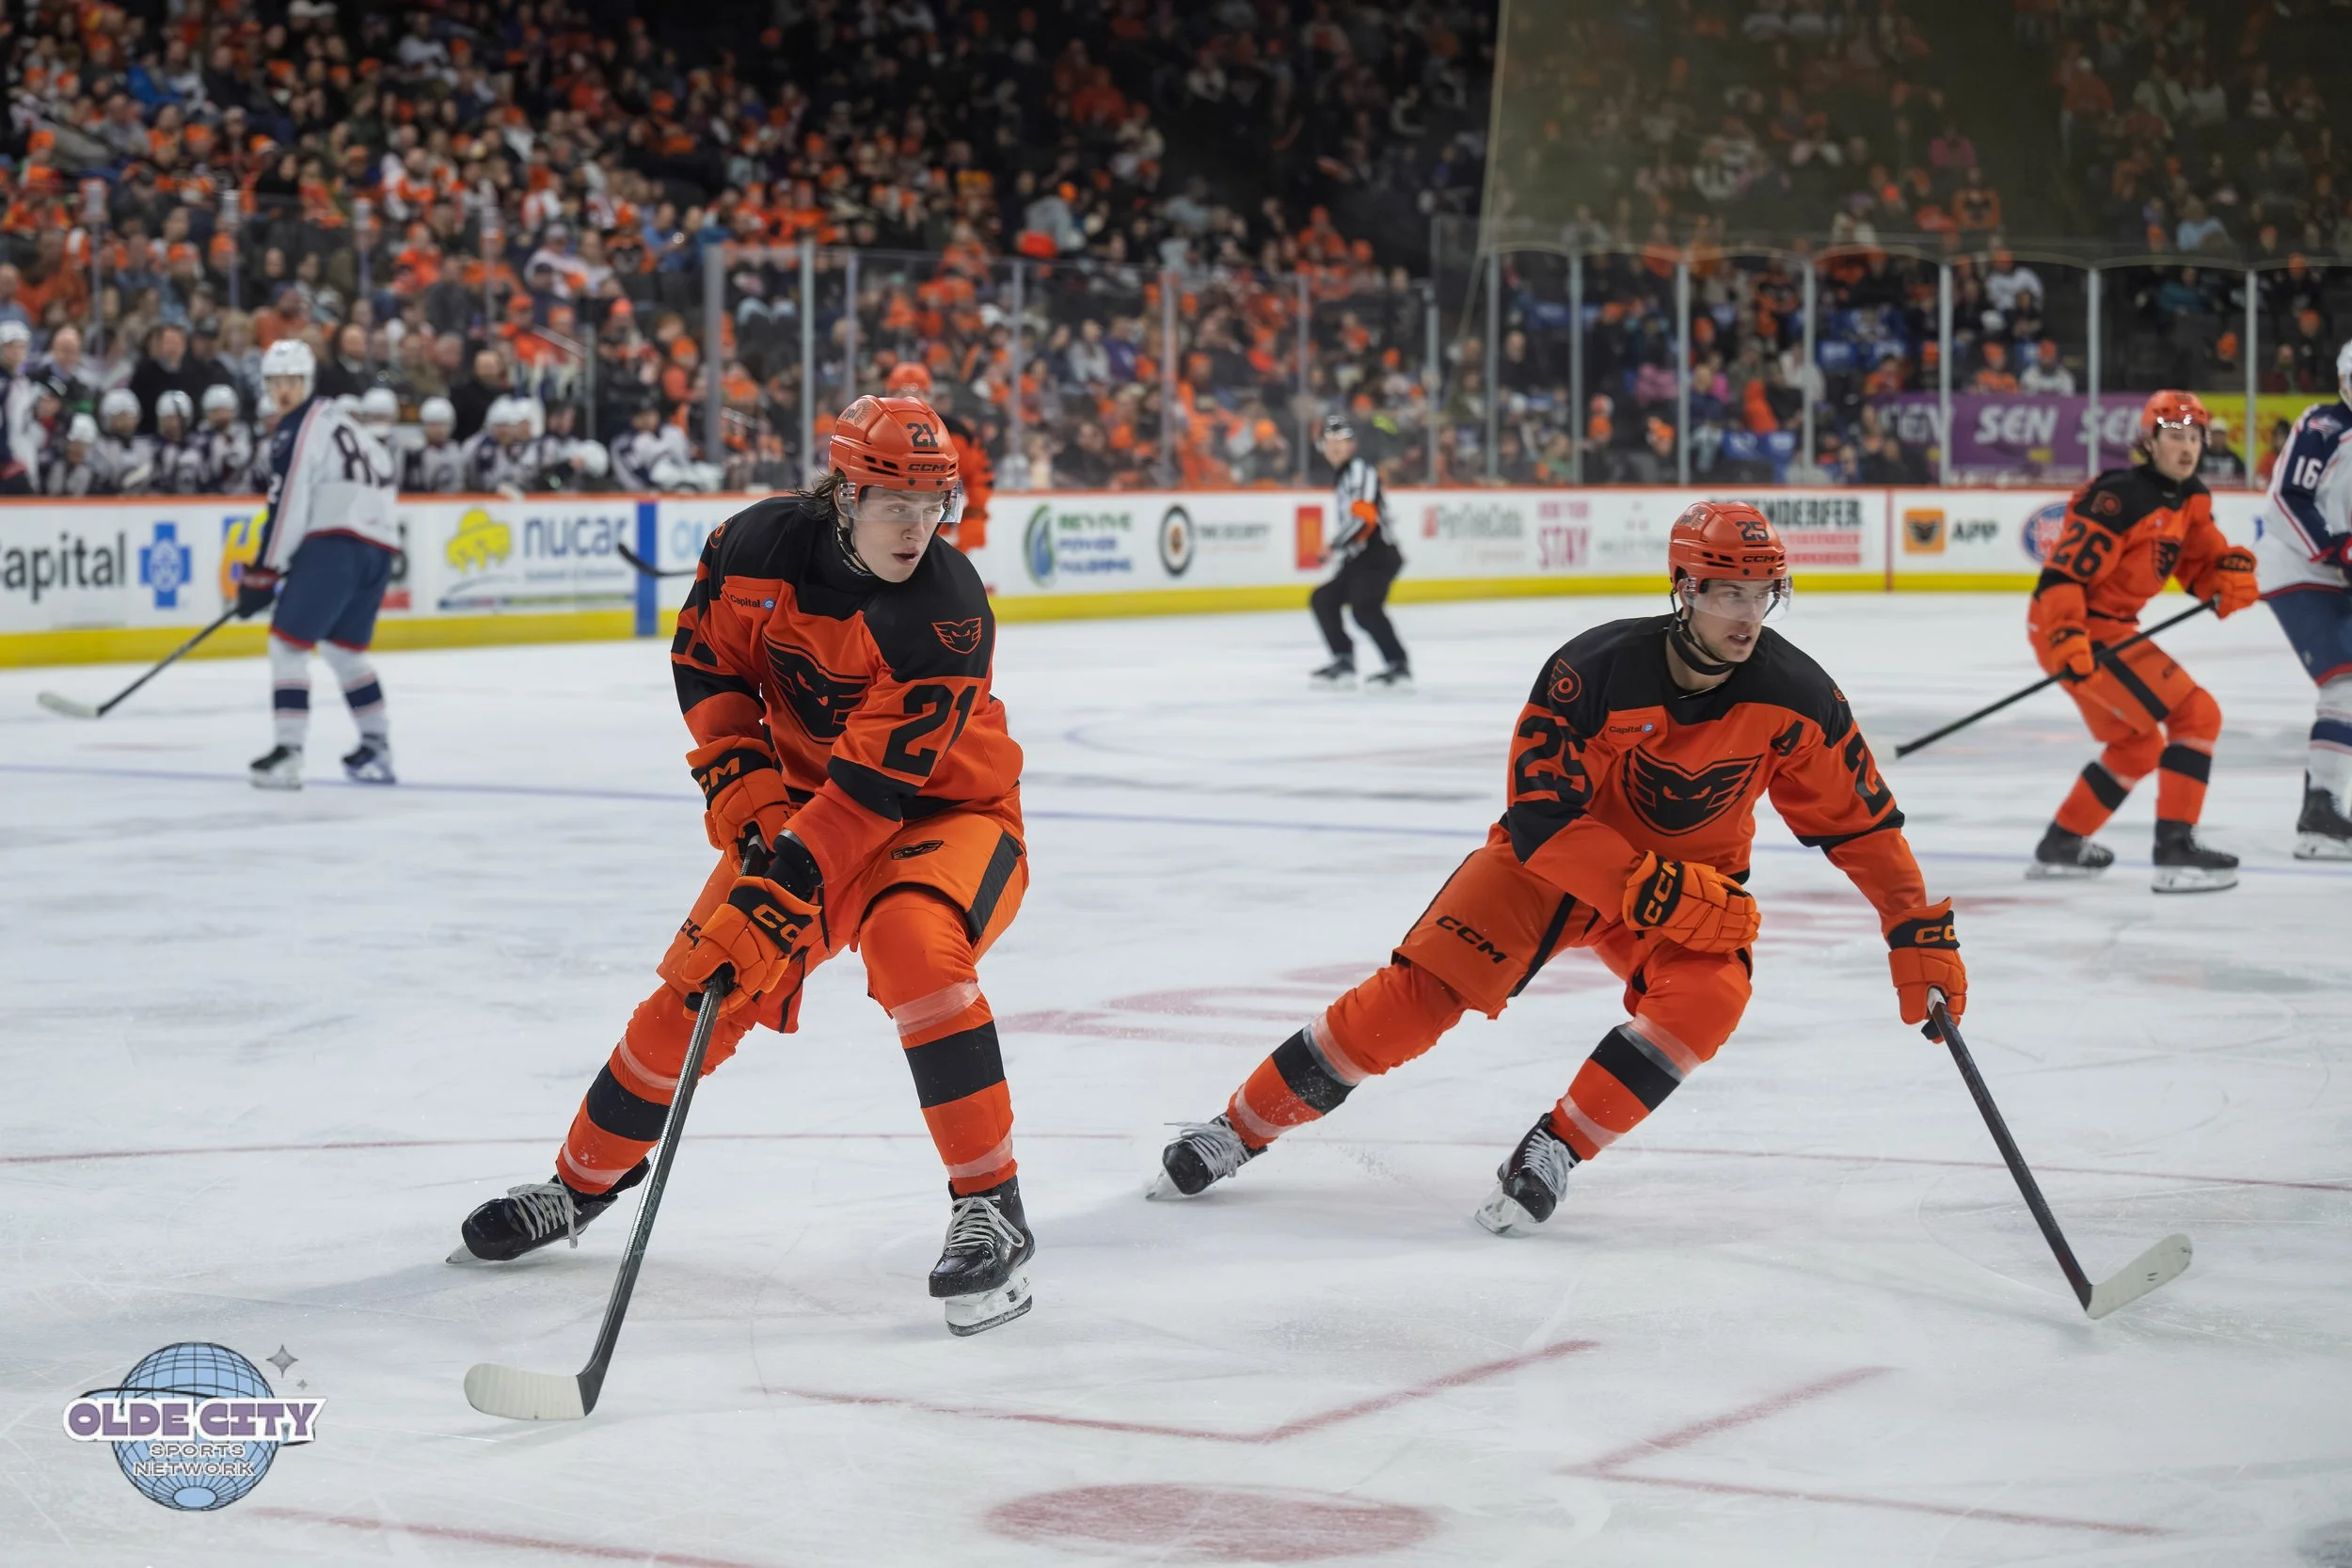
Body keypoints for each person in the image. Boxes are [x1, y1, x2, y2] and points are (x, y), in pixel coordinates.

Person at [1152, 503, 1963, 1232]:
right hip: (1551, 866)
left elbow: (1862, 823)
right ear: (1683, 586)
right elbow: (1542, 815)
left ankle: (1557, 1149)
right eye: (1726, 592)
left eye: (1762, 595)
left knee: (1711, 996)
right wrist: (1643, 886)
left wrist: (1916, 930)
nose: (1746, 616)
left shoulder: (1800, 698)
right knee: (1419, 996)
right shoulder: (1594, 670)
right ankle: (1239, 1128)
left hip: (1690, 891)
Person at [452, 395, 1039, 1338]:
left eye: (933, 502)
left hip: (945, 810)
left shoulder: (945, 610)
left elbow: (874, 793)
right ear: (842, 492)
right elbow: (710, 670)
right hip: (809, 811)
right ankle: (578, 1185)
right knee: (699, 989)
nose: (916, 524)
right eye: (893, 500)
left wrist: (783, 875)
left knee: (911, 946)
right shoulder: (751, 549)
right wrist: (750, 802)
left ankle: (991, 1206)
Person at [2025, 391, 2259, 890]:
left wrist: (2226, 582)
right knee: (2198, 714)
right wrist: (2068, 637)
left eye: (2195, 436)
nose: (2188, 447)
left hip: (2107, 627)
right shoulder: (2118, 497)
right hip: (2073, 624)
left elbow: (2201, 564)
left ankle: (2061, 844)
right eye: (2175, 435)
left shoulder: (2192, 498)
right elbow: (2061, 576)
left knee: (2136, 745)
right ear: (2149, 442)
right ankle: (2176, 851)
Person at [235, 338, 403, 790]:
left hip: (338, 544)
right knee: (343, 651)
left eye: (291, 381)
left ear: (306, 382)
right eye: (275, 382)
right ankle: (376, 748)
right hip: (378, 547)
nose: (283, 391)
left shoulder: (297, 428)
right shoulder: (347, 424)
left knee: (287, 646)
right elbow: (386, 482)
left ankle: (288, 753)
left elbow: (289, 502)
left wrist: (265, 568)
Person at [2250, 339, 2352, 857]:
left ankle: (2324, 808)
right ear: (2343, 382)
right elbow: (2289, 498)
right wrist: (2336, 548)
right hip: (2299, 568)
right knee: (2345, 683)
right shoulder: (2324, 428)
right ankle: (2319, 815)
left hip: (2337, 570)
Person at [1308, 414, 1410, 689]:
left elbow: (1365, 518)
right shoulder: (1344, 476)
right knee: (1324, 599)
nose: (1335, 446)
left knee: (1365, 609)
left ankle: (1398, 666)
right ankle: (1344, 661)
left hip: (1378, 554)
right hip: (1360, 557)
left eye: (1341, 441)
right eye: (1329, 441)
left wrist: (1332, 545)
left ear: (1352, 445)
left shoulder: (1359, 471)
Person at [885, 362, 993, 549]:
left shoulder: (957, 435)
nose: (909, 402)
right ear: (888, 396)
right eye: (901, 395)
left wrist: (974, 516)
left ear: (929, 397)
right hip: (887, 528)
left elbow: (979, 477)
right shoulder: (873, 432)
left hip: (939, 534)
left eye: (917, 395)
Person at [92, 388, 156, 493]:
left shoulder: (147, 446)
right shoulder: (100, 447)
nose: (125, 421)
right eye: (119, 416)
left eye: (129, 415)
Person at [198, 383, 257, 494]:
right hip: (207, 498)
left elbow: (240, 460)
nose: (220, 416)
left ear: (234, 411)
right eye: (215, 411)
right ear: (206, 413)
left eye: (224, 410)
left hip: (242, 496)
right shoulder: (200, 438)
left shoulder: (242, 434)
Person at [401, 396, 467, 493]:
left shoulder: (457, 451)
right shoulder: (413, 453)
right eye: (433, 424)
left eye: (443, 424)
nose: (438, 430)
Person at [149, 389, 208, 493]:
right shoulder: (152, 449)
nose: (174, 424)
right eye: (169, 419)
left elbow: (208, 480)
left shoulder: (200, 447)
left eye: (178, 419)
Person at [40, 412, 107, 495]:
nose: (76, 449)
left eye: (82, 445)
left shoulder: (98, 478)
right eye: (73, 443)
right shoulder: (50, 467)